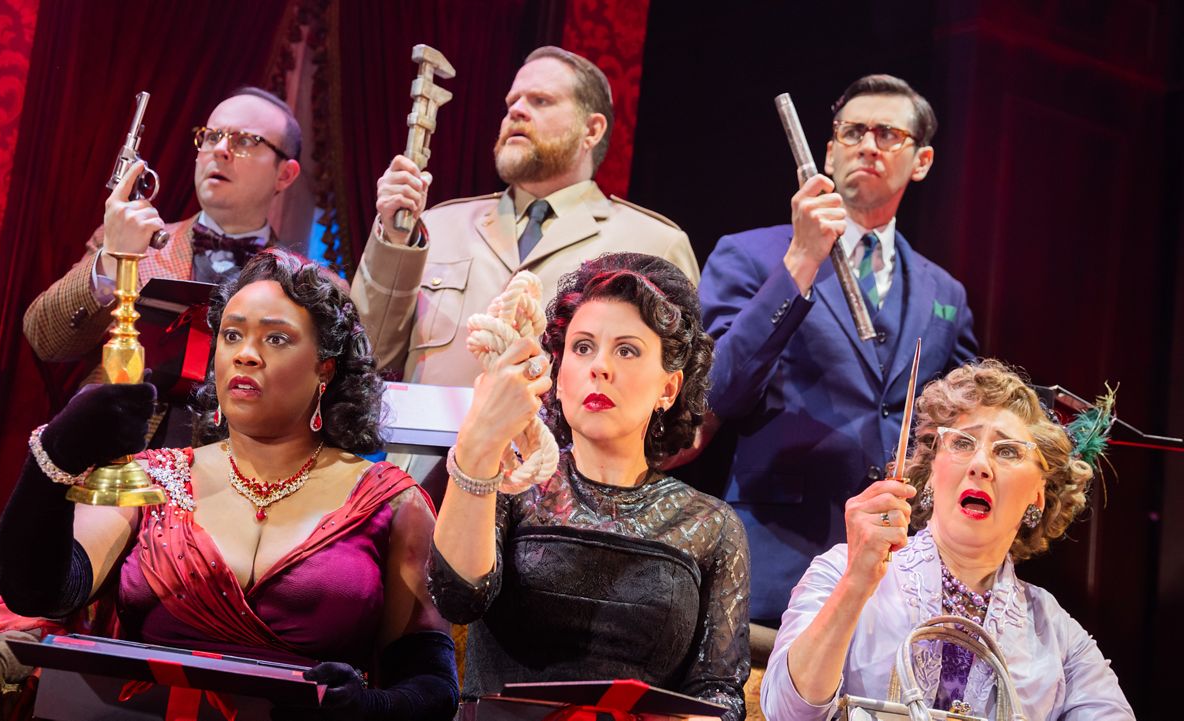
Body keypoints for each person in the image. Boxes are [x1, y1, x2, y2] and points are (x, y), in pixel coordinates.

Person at [0, 249, 458, 720]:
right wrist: (53, 456)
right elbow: (39, 592)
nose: (246, 354)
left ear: (326, 368)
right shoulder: (152, 477)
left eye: (276, 338)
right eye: (232, 335)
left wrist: (370, 706)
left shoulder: (392, 501)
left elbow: (433, 687)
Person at [698, 74, 978, 626]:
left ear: (920, 161)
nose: (868, 144)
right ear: (828, 149)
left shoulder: (945, 292)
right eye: (853, 131)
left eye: (888, 134)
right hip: (774, 562)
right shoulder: (750, 255)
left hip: (896, 574)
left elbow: (961, 421)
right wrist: (801, 259)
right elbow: (718, 389)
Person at [427, 253, 749, 720]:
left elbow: (719, 695)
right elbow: (458, 596)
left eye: (627, 350)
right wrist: (478, 444)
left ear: (669, 388)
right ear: (556, 376)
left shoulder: (710, 525)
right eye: (582, 347)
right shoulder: (512, 482)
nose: (600, 366)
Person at [761, 360, 1133, 720]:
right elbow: (786, 711)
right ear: (932, 470)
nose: (980, 464)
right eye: (962, 443)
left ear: (1039, 494)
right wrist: (856, 584)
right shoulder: (840, 570)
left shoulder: (1056, 634)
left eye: (1006, 451)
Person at [352, 46, 699, 389]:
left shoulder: (655, 245)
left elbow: (677, 400)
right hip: (426, 446)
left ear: (591, 131)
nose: (516, 111)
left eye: (541, 100)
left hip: (556, 446)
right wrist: (396, 242)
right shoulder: (436, 227)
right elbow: (370, 356)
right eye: (511, 103)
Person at [23, 87, 303, 445]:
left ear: (285, 175)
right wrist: (112, 257)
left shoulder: (301, 281)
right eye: (212, 136)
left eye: (246, 140)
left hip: (244, 470)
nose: (220, 149)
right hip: (121, 457)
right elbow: (46, 339)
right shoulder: (132, 242)